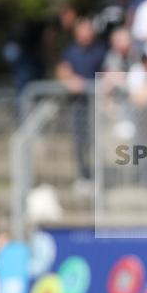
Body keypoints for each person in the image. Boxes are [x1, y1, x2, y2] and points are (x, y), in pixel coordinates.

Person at [57, 18, 107, 190]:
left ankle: (98, 176)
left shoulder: (101, 50)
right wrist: (71, 80)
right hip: (78, 104)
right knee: (80, 141)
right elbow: (62, 70)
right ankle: (83, 176)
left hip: (96, 104)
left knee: (96, 141)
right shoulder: (70, 51)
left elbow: (108, 71)